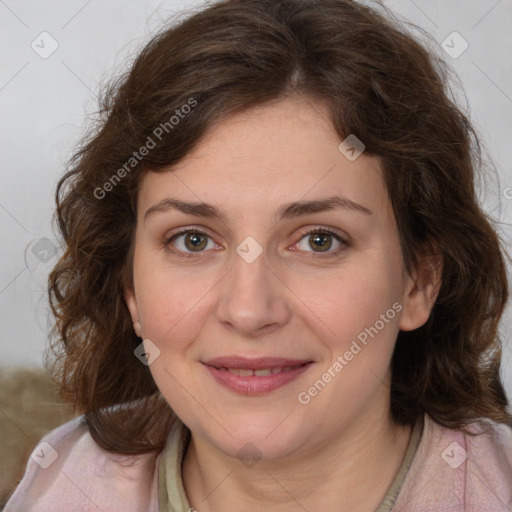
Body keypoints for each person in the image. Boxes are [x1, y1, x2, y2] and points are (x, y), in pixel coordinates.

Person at [4, 0, 512, 510]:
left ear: (420, 281)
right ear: (129, 286)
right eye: (193, 240)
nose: (248, 311)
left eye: (319, 240)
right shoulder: (61, 483)